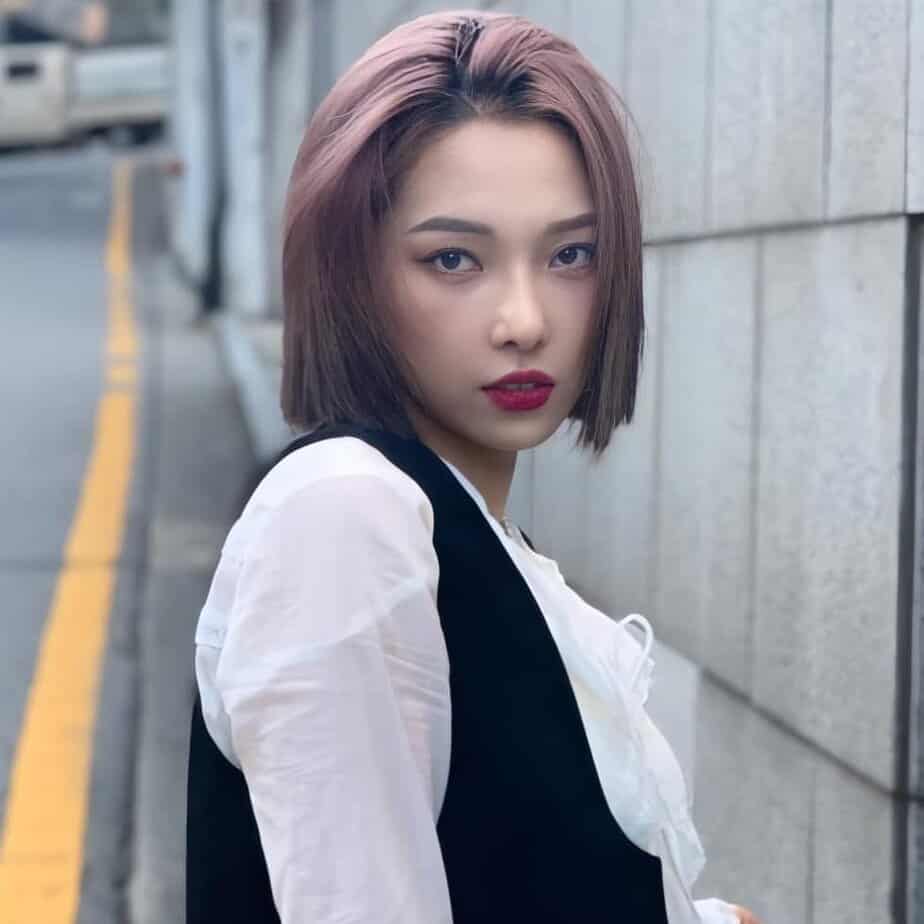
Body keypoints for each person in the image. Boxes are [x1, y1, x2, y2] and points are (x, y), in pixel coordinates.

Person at [186, 9, 764, 924]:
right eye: (454, 259)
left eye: (571, 254)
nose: (524, 320)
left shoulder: (469, 535)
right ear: (353, 277)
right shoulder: (346, 517)